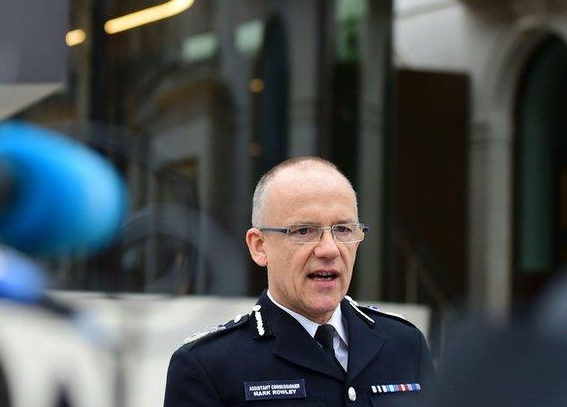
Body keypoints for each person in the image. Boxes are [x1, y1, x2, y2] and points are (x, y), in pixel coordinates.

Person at [163, 157, 435, 406]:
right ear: (259, 246)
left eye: (342, 229)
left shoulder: (404, 344)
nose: (329, 249)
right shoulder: (209, 365)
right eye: (304, 231)